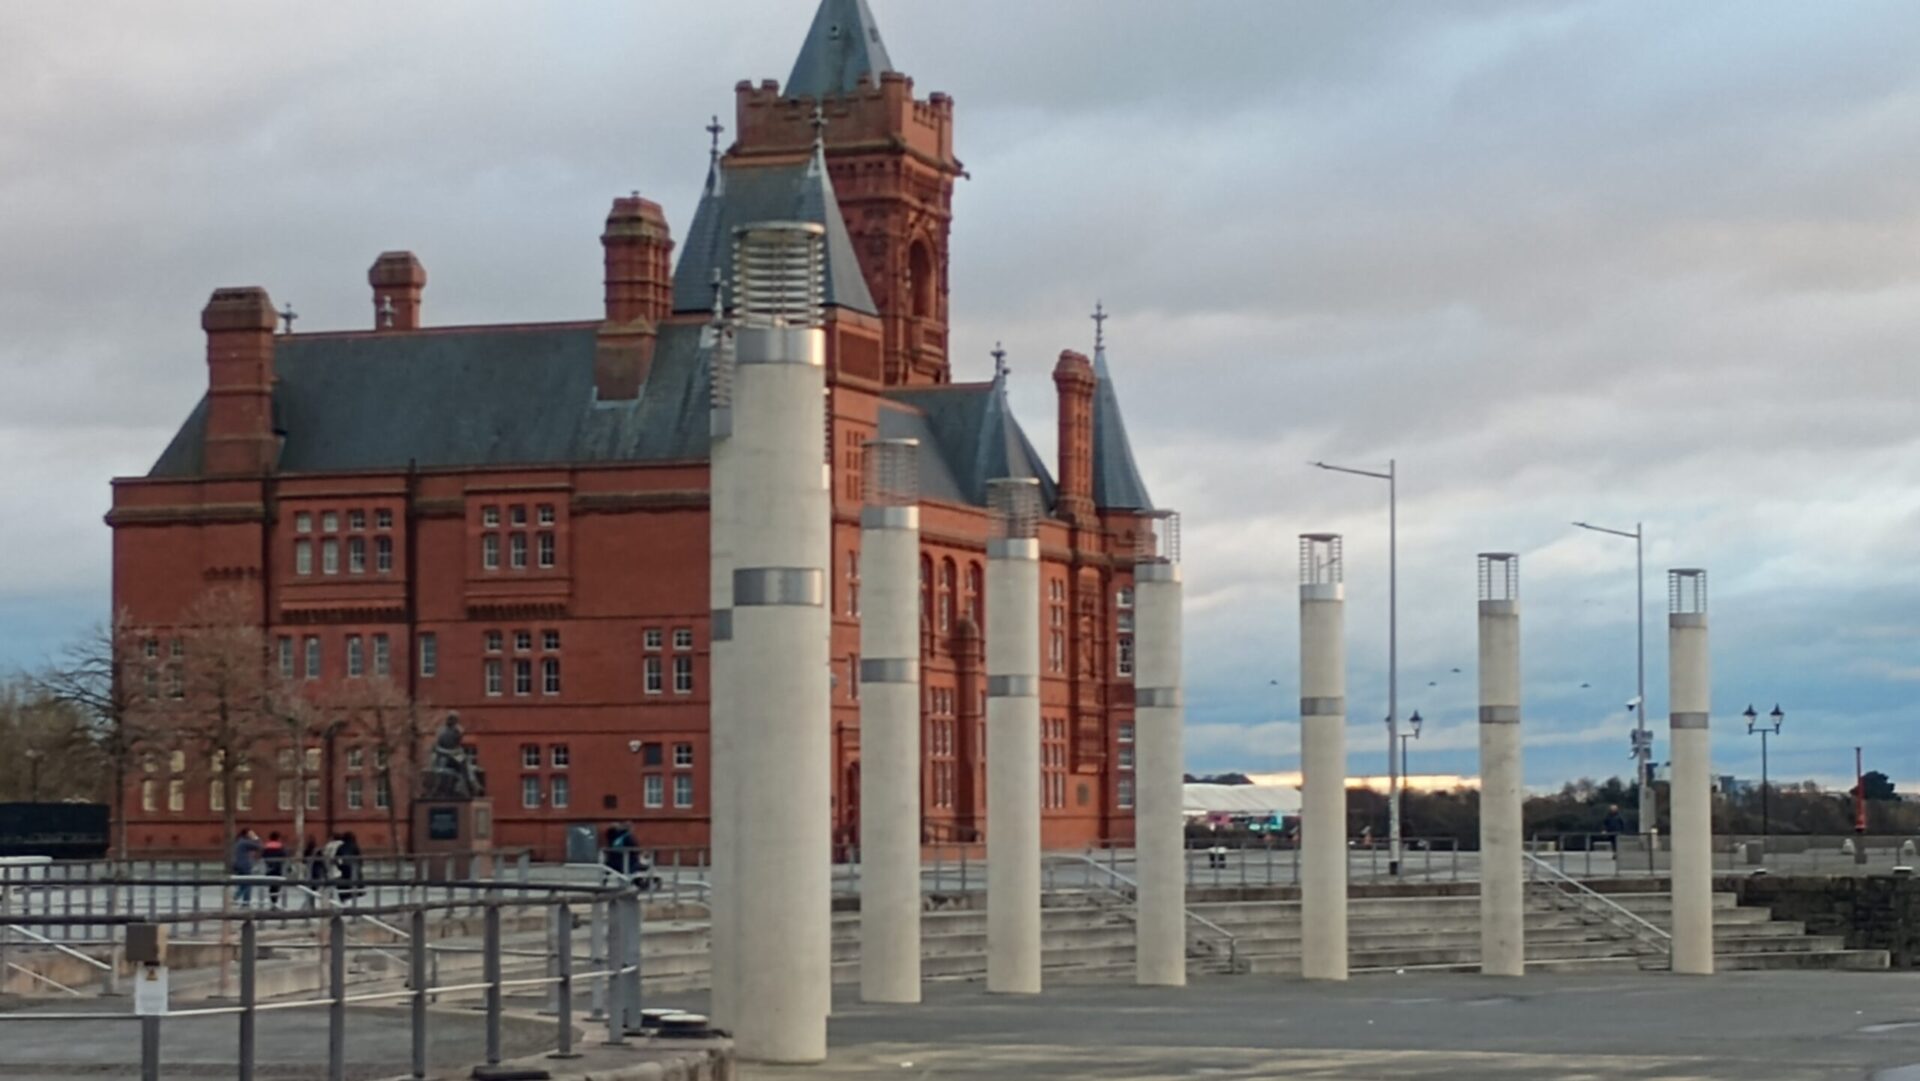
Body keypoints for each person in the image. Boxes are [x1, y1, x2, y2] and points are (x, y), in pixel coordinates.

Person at [231, 828, 264, 907]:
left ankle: (238, 899)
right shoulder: (245, 842)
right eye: (251, 833)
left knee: (243, 884)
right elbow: (259, 846)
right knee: (248, 884)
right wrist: (255, 837)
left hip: (238, 865)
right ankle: (244, 902)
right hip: (244, 865)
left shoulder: (239, 841)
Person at [261, 831, 288, 908]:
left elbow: (264, 856)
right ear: (278, 838)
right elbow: (284, 856)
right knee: (277, 886)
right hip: (278, 868)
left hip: (269, 868)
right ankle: (275, 901)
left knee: (271, 885)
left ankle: (272, 901)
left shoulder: (266, 846)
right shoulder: (280, 846)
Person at [336, 832, 363, 901]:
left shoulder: (341, 847)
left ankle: (344, 899)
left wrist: (340, 867)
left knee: (345, 886)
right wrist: (359, 866)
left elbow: (336, 858)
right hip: (354, 868)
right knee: (355, 885)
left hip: (345, 869)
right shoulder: (354, 846)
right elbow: (360, 858)